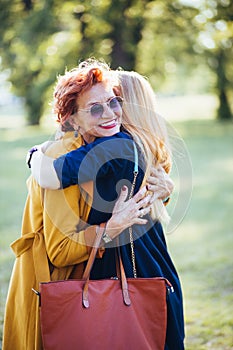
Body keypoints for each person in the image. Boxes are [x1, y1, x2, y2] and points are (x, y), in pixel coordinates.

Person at [2, 61, 173, 350]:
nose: (110, 114)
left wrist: (163, 191)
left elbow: (143, 195)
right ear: (72, 120)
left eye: (114, 102)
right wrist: (111, 227)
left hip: (125, 282)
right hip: (59, 284)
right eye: (95, 108)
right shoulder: (72, 153)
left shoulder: (116, 145)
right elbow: (60, 251)